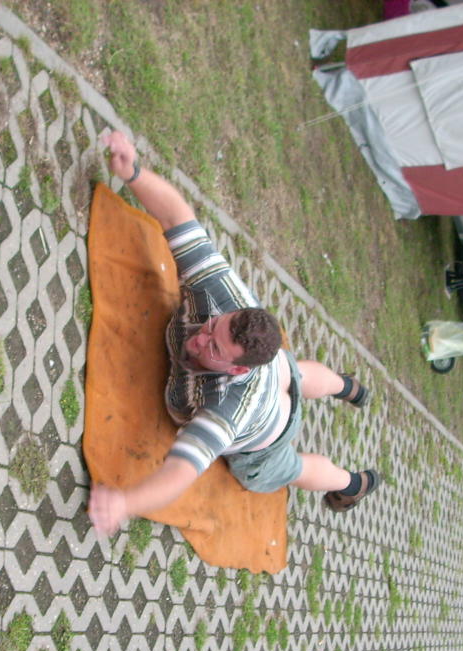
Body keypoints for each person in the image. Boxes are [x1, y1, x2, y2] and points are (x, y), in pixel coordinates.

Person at [87, 131, 380, 537]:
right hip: (277, 371)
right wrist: (134, 172)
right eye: (212, 327)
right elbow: (176, 216)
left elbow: (180, 471)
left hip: (266, 437)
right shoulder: (218, 291)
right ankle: (348, 388)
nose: (199, 338)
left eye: (213, 347)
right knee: (293, 371)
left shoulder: (229, 406)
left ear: (238, 369)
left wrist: (125, 503)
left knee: (295, 468)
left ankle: (352, 484)